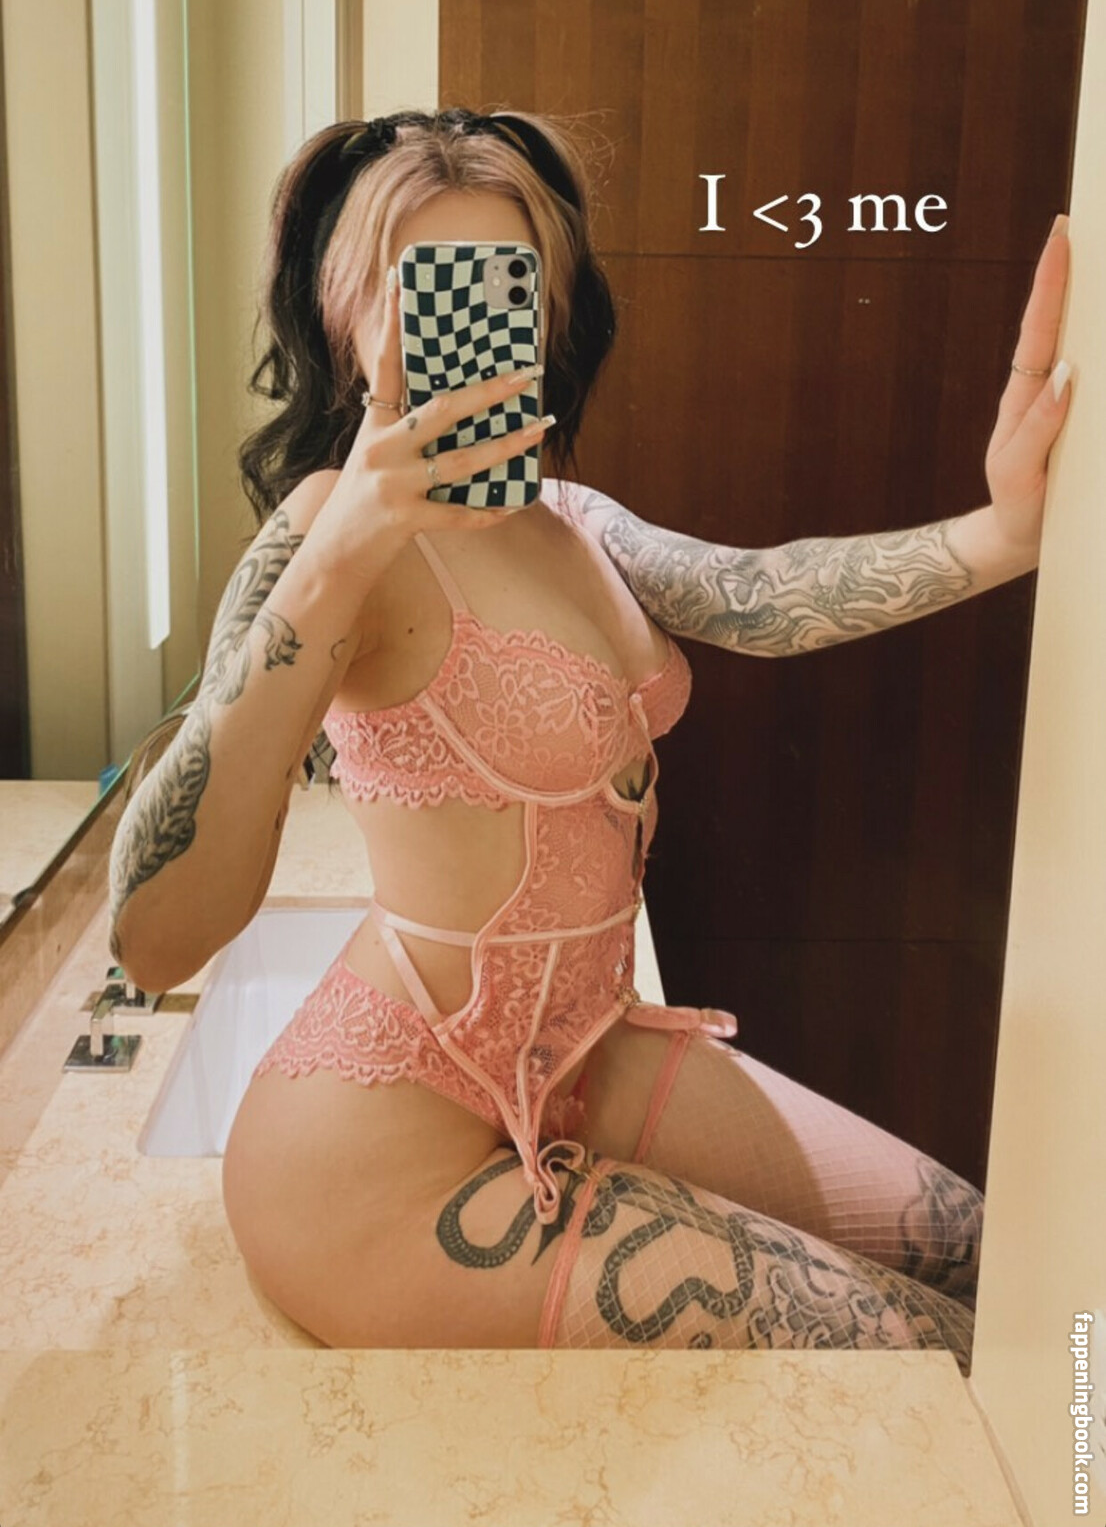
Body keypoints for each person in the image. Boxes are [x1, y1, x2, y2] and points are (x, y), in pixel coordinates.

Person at [107, 108, 1073, 1360]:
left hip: (589, 1052)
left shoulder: (571, 521)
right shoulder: (322, 534)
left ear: (549, 312)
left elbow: (755, 595)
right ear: (347, 313)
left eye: (503, 280)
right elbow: (155, 938)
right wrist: (341, 550)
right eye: (417, 282)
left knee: (992, 1252)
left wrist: (1001, 534)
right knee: (944, 1356)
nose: (465, 317)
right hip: (375, 1155)